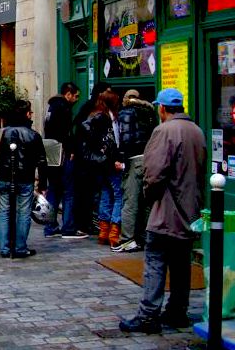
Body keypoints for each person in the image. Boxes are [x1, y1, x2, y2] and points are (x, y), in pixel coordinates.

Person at [119, 88, 204, 334]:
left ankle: (148, 315)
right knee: (181, 265)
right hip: (190, 211)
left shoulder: (164, 131)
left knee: (156, 262)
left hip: (166, 211)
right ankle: (178, 311)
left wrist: (149, 196)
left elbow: (154, 173)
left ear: (163, 108)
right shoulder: (197, 131)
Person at [0, 99, 47, 259]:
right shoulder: (33, 135)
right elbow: (42, 161)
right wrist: (43, 183)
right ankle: (20, 247)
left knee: (4, 211)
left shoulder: (0, 133)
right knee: (23, 213)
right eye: (30, 112)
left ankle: (4, 248)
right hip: (25, 178)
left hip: (4, 177)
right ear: (25, 114)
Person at [112, 89, 158, 252]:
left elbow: (125, 139)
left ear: (126, 99)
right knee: (146, 201)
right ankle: (146, 236)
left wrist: (120, 159)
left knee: (130, 201)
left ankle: (127, 239)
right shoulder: (149, 112)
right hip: (149, 158)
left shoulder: (126, 113)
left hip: (133, 160)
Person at [42, 82, 87, 238]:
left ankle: (50, 226)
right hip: (62, 152)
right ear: (68, 93)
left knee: (53, 190)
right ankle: (68, 228)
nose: (76, 99)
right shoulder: (64, 107)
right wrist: (72, 150)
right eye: (75, 96)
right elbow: (65, 132)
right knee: (68, 191)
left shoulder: (50, 106)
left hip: (51, 151)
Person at [81, 90, 123, 246]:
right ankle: (113, 232)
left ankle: (103, 232)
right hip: (109, 162)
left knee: (106, 194)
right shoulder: (104, 118)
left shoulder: (98, 116)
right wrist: (108, 155)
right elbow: (109, 141)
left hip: (103, 163)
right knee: (118, 195)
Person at [73, 81, 112, 235]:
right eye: (107, 91)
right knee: (86, 192)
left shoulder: (96, 108)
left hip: (89, 157)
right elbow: (81, 128)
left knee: (91, 192)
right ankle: (84, 223)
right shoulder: (92, 109)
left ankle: (88, 222)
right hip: (88, 158)